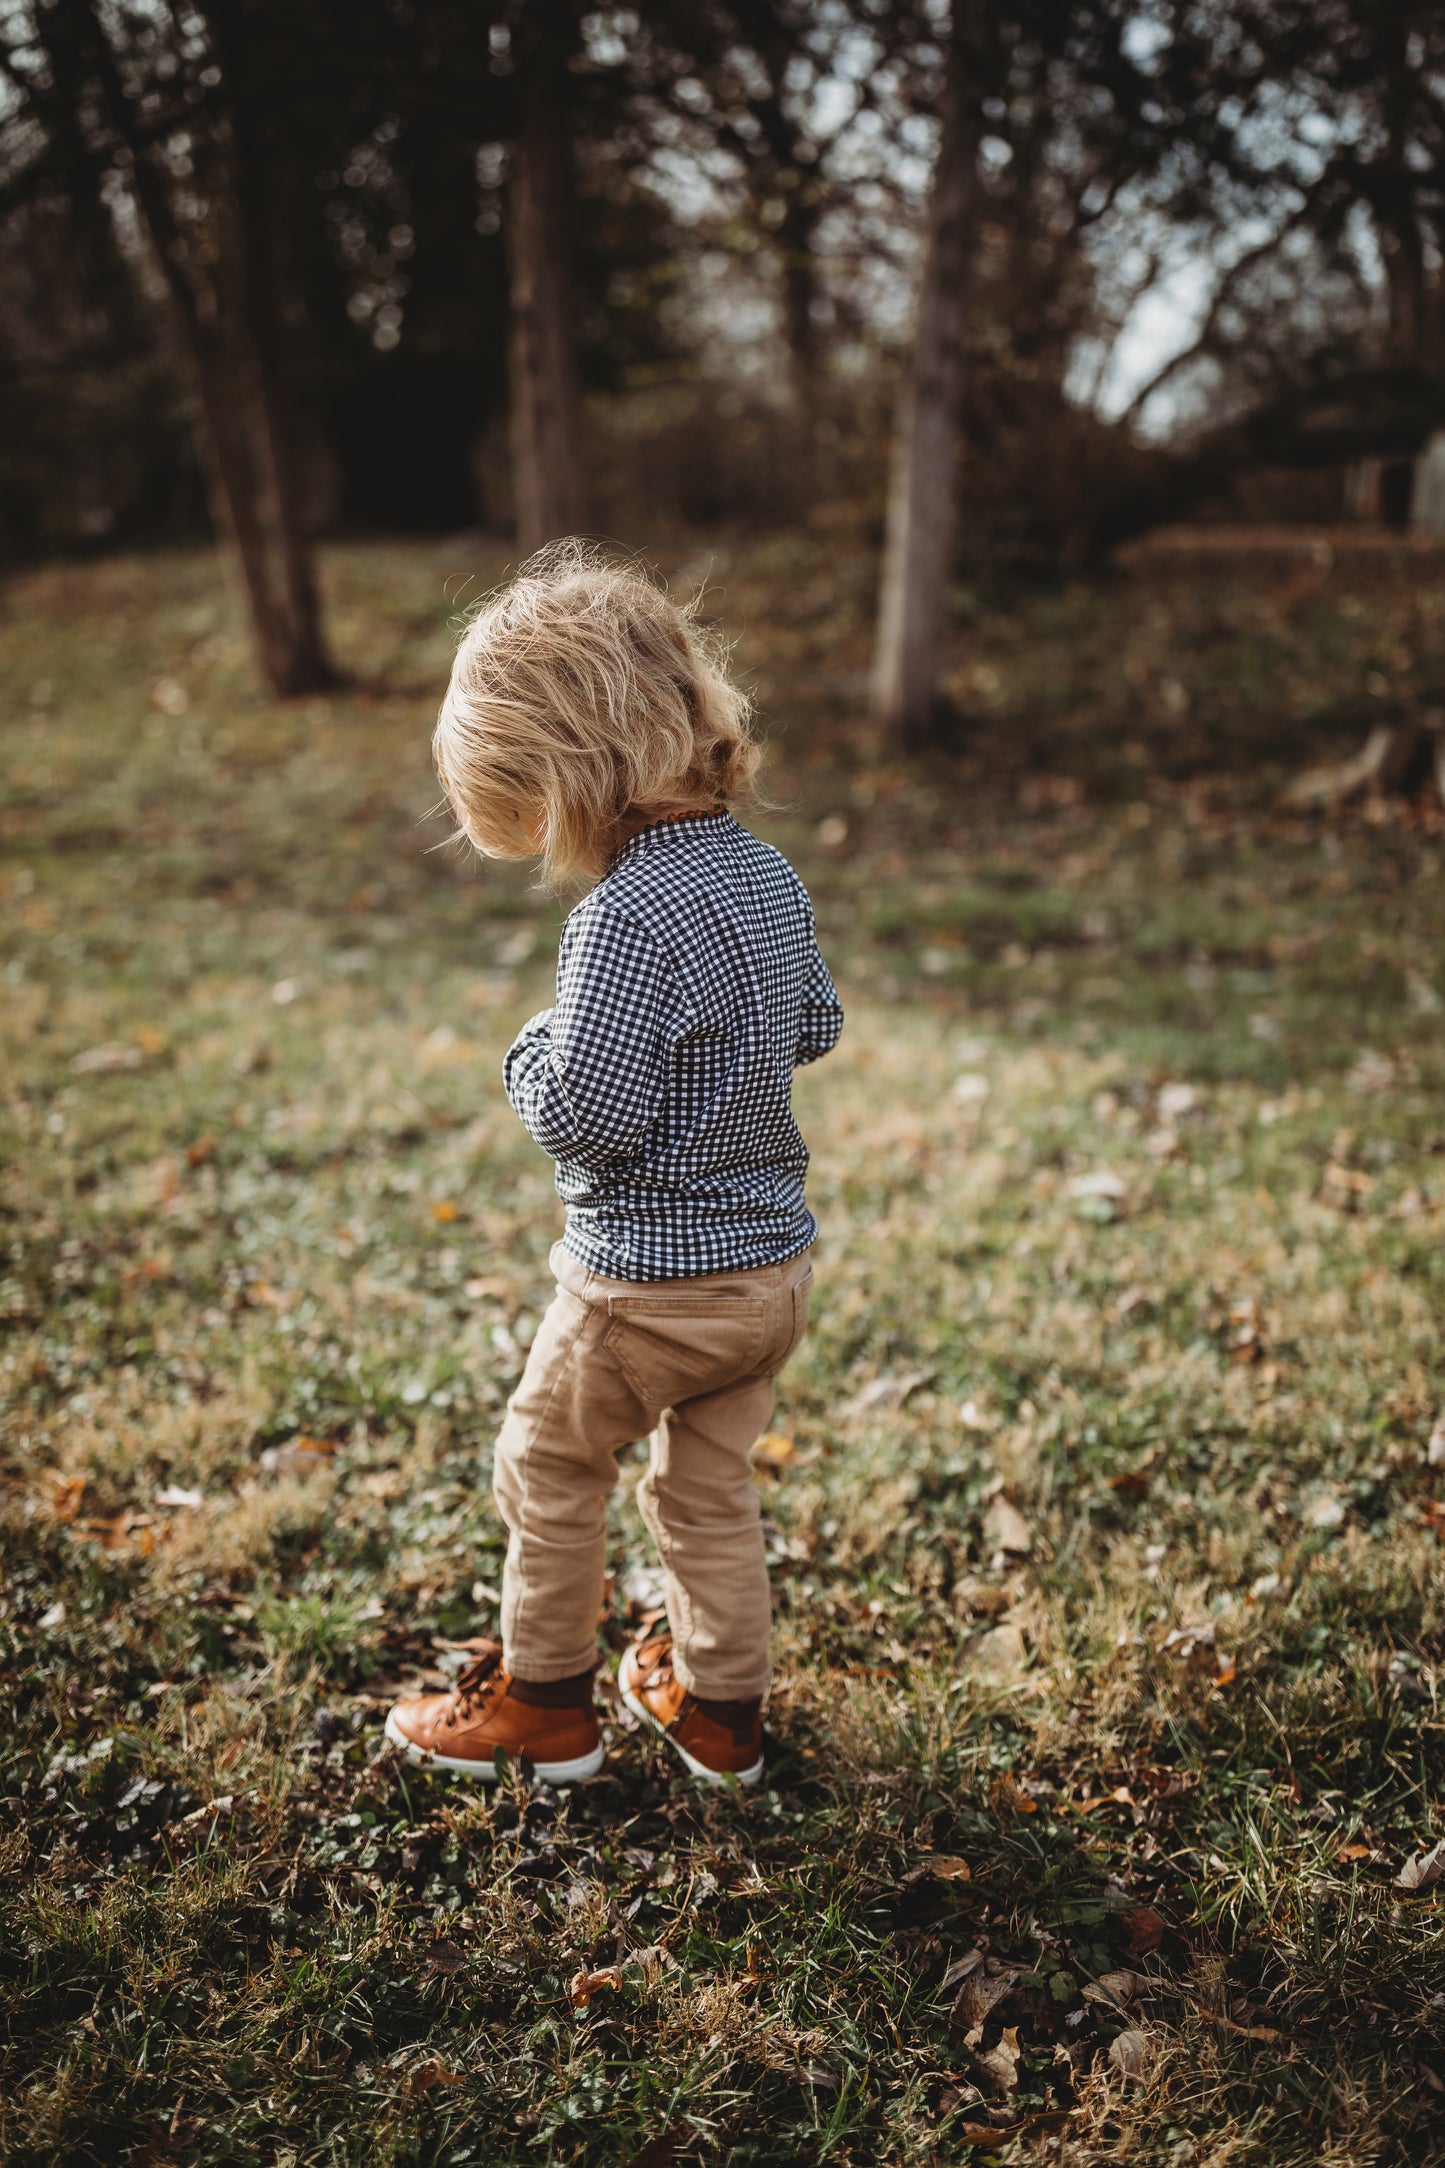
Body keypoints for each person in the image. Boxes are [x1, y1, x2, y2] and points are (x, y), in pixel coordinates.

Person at [385, 544, 842, 1788]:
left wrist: (527, 1049)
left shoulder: (623, 915)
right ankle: (718, 1714)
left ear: (570, 768)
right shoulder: (765, 871)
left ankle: (541, 1705)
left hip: (643, 1293)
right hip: (767, 1283)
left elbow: (585, 1111)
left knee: (547, 1462)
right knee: (705, 1493)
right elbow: (815, 1026)